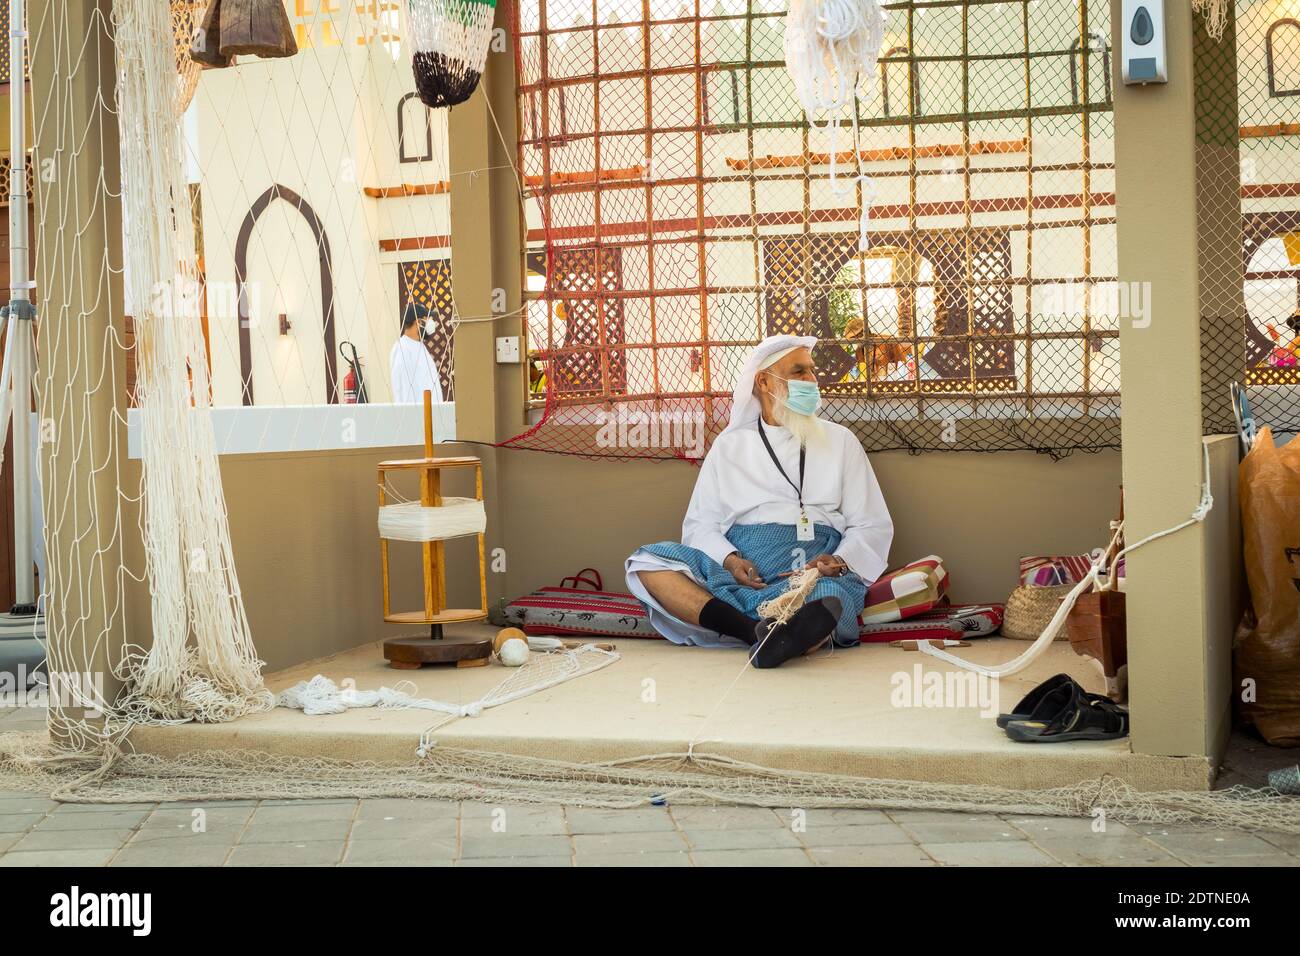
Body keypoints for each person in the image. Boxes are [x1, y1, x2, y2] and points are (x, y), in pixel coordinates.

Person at [625, 334, 893, 668]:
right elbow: (701, 524)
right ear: (763, 381)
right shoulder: (731, 446)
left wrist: (837, 560)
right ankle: (755, 632)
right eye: (799, 372)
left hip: (811, 572)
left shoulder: (841, 441)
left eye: (812, 371)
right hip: (743, 571)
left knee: (830, 598)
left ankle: (778, 631)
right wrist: (730, 560)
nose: (812, 380)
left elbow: (870, 523)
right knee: (648, 563)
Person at [389, 304, 444, 403]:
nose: (430, 323)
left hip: (430, 414)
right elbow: (404, 389)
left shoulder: (418, 346)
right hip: (417, 416)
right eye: (427, 319)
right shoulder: (402, 349)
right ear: (418, 322)